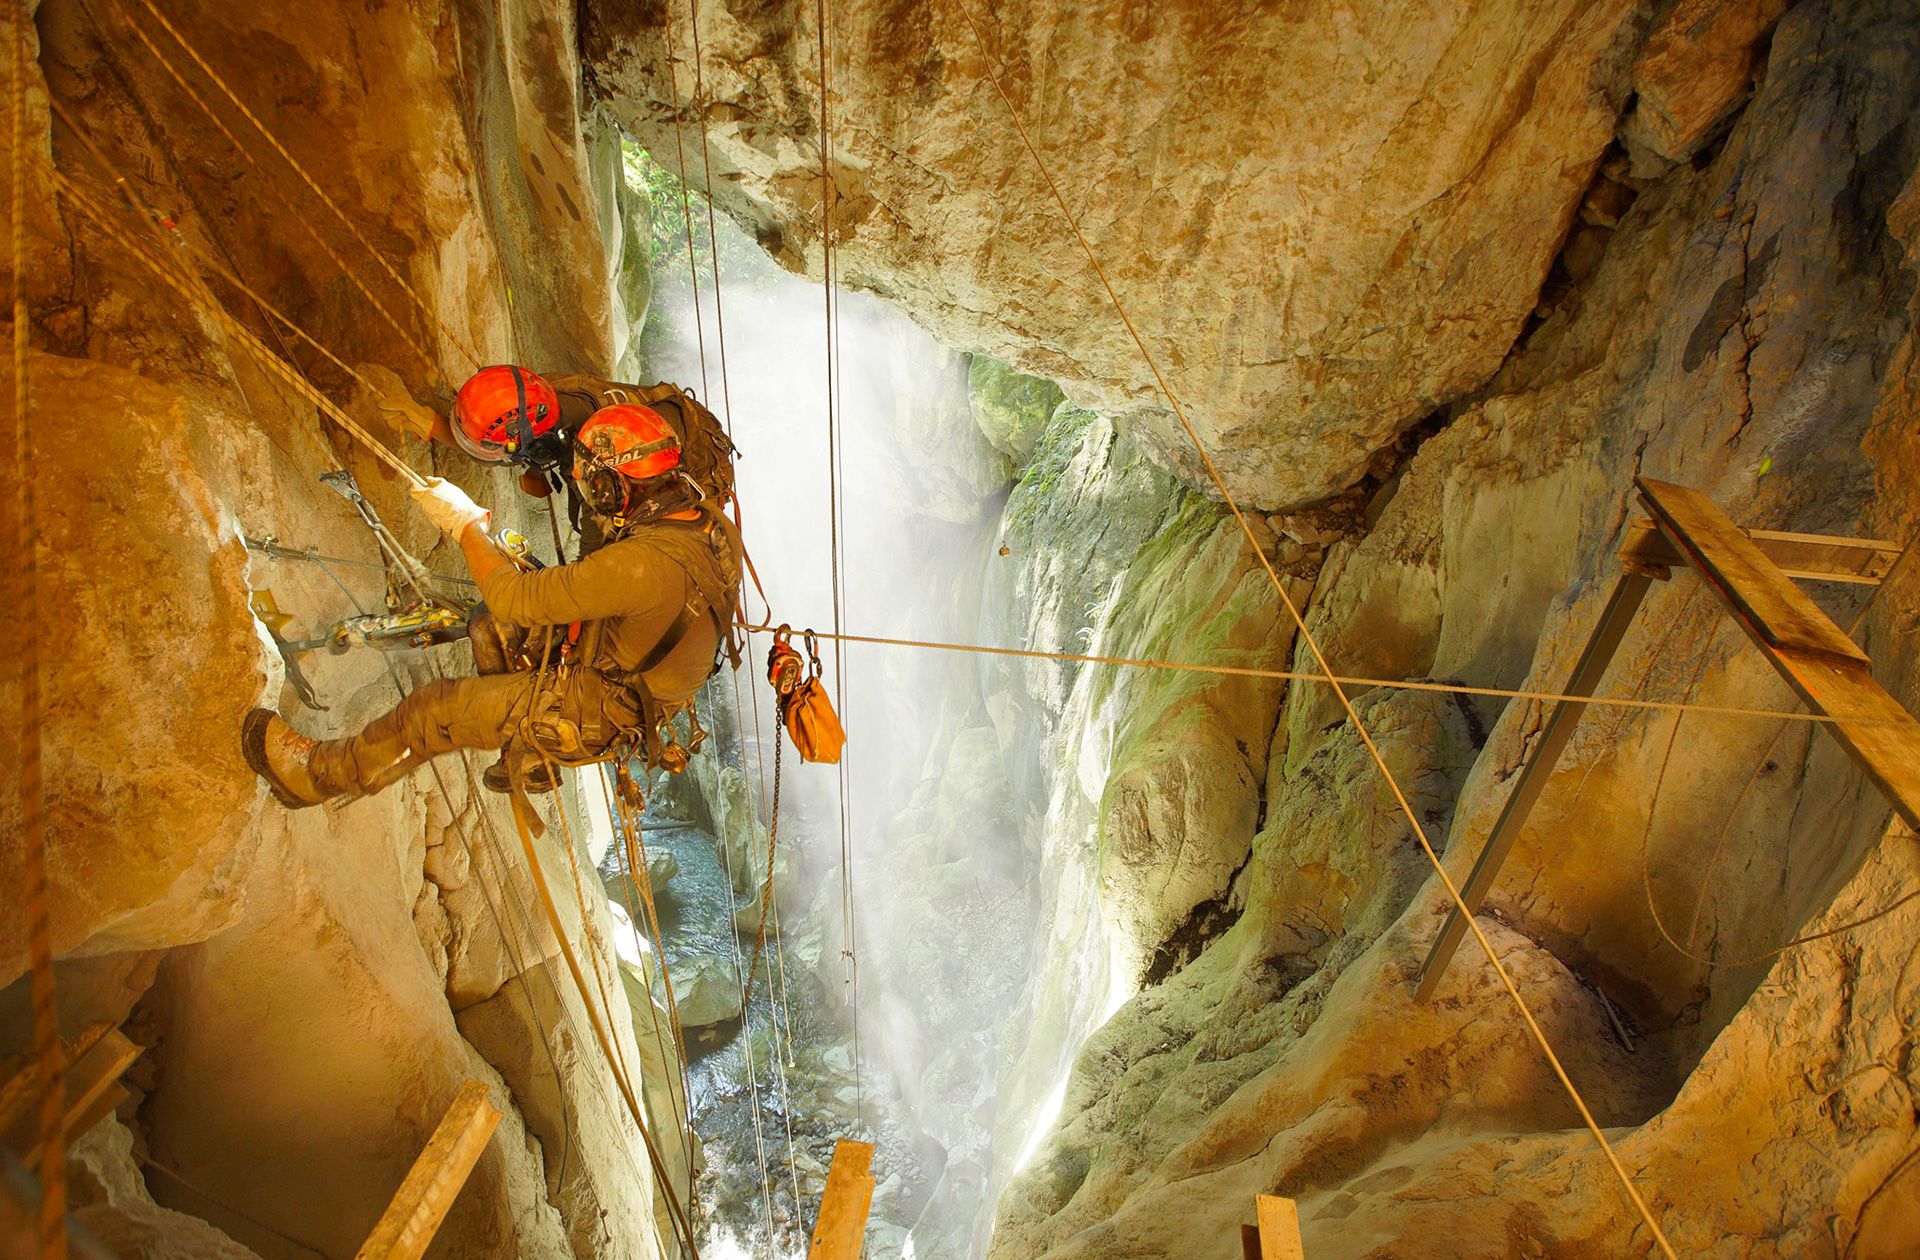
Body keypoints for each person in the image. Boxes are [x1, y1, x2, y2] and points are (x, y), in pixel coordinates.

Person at [242, 402, 743, 807]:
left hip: (604, 706)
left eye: (595, 486)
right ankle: (528, 757)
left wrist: (466, 526)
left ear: (615, 485)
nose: (592, 500)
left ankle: (316, 777)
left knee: (433, 709)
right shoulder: (706, 523)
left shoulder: (641, 563)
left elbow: (513, 598)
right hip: (639, 669)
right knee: (486, 627)